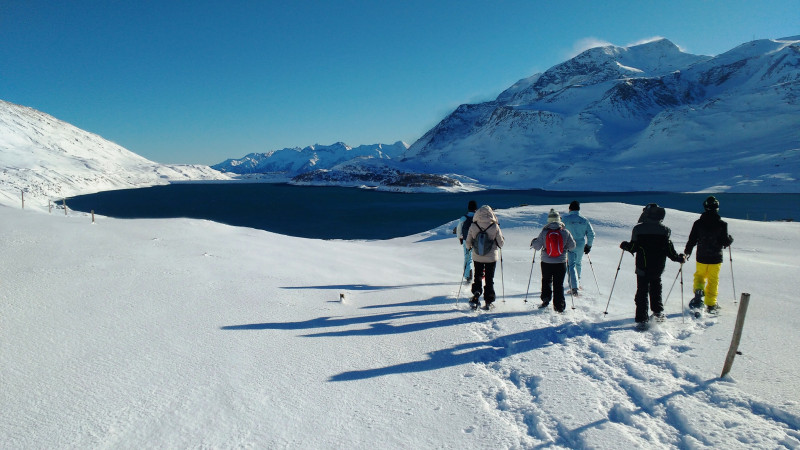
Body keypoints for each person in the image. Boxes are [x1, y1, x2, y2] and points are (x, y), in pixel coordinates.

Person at [620, 203, 686, 327]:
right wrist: (679, 258)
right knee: (656, 289)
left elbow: (633, 247)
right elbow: (670, 251)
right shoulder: (665, 230)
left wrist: (625, 245)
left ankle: (641, 320)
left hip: (642, 267)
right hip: (658, 267)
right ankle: (658, 313)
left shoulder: (638, 229)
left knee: (642, 292)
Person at [683, 196, 734, 314]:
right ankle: (711, 304)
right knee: (713, 279)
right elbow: (724, 242)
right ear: (717, 208)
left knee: (700, 276)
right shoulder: (722, 224)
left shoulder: (698, 223)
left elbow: (692, 239)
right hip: (716, 258)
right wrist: (730, 240)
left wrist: (687, 252)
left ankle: (698, 292)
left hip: (701, 256)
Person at [530, 209, 576, 313]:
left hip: (546, 261)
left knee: (546, 280)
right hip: (561, 262)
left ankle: (545, 300)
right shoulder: (565, 232)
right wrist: (565, 247)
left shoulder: (545, 232)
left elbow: (537, 247)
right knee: (558, 284)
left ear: (549, 220)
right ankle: (559, 306)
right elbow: (572, 246)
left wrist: (533, 242)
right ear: (559, 219)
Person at [465, 205, 505, 310]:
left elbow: (468, 243)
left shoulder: (474, 226)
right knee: (489, 278)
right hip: (491, 257)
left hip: (477, 256)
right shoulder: (495, 226)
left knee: (477, 275)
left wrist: (470, 247)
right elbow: (501, 243)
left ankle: (476, 294)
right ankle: (488, 301)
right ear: (491, 214)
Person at [562, 200, 595, 294]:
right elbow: (591, 234)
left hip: (568, 244)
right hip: (580, 244)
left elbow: (560, 230)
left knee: (570, 264)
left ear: (570, 208)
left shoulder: (565, 219)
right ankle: (577, 281)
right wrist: (588, 245)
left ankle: (574, 287)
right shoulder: (584, 220)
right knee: (578, 263)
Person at [456, 200, 478, 283]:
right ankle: (478, 274)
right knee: (478, 258)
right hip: (477, 241)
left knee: (467, 257)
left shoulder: (464, 218)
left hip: (466, 240)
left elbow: (459, 229)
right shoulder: (477, 218)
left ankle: (467, 275)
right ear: (476, 208)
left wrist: (460, 238)